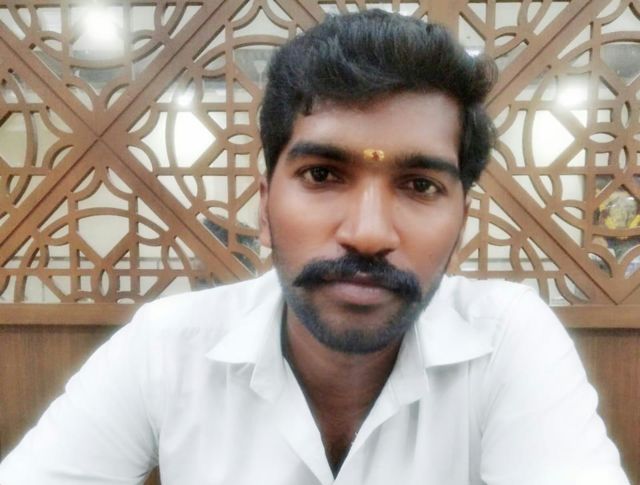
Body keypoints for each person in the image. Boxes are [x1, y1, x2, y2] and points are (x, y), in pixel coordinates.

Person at [0, 10, 630, 485]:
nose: (369, 233)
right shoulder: (167, 346)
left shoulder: (508, 341)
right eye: (323, 174)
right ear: (264, 207)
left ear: (461, 221)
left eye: (419, 185)